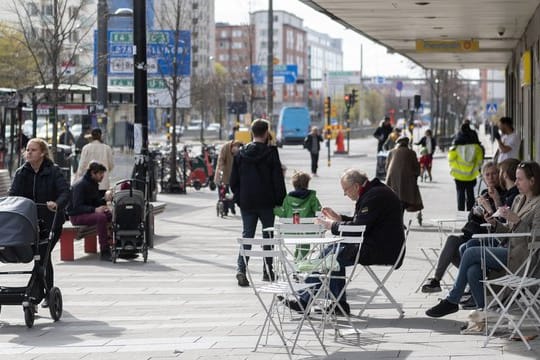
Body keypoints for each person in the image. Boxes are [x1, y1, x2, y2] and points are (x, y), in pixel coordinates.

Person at [282, 169, 405, 315]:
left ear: (356, 187)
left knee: (330, 257)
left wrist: (331, 225)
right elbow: (362, 223)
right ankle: (338, 305)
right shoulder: (372, 192)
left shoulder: (374, 196)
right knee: (331, 252)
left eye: (346, 190)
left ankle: (307, 300)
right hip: (378, 244)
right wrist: (339, 219)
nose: (345, 194)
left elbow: (360, 228)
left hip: (381, 249)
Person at [426, 161, 540, 317]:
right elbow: (508, 231)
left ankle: (452, 300)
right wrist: (494, 223)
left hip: (524, 258)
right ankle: (485, 314)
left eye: (520, 179)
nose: (516, 182)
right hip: (509, 250)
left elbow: (536, 237)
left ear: (532, 181)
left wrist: (517, 221)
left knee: (471, 252)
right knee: (473, 270)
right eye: (516, 178)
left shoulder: (538, 204)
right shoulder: (518, 200)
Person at [420, 162, 504, 294]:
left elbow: (500, 220)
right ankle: (436, 280)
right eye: (487, 174)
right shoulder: (483, 193)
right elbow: (471, 218)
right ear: (483, 177)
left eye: (494, 173)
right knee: (452, 240)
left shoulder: (503, 194)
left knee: (458, 246)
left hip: (483, 239)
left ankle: (469, 283)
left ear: (500, 175)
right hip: (470, 234)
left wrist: (491, 204)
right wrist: (476, 210)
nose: (491, 177)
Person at [9, 138, 70, 308]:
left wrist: (56, 204)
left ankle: (35, 294)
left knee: (43, 255)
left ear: (42, 153)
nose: (28, 153)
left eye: (33, 150)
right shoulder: (22, 172)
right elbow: (13, 194)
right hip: (29, 223)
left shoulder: (53, 171)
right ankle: (43, 292)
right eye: (27, 150)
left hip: (50, 223)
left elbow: (65, 192)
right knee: (41, 258)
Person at [230, 119, 286, 287]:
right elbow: (277, 179)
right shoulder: (271, 153)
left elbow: (234, 181)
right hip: (267, 202)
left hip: (247, 202)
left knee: (247, 235)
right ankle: (268, 271)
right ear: (267, 133)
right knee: (267, 235)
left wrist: (239, 198)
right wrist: (280, 200)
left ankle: (241, 269)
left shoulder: (240, 154)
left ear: (252, 133)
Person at [68, 161, 113, 261]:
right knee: (101, 217)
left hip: (87, 213)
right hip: (76, 216)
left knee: (109, 214)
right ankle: (104, 250)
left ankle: (113, 243)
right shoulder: (80, 185)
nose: (102, 176)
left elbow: (94, 202)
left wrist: (104, 200)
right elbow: (77, 207)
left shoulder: (93, 183)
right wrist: (95, 209)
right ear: (93, 173)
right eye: (100, 174)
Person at [274, 171, 322, 258]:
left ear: (294, 184)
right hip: (309, 231)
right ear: (307, 184)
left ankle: (298, 260)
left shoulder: (288, 199)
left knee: (298, 231)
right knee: (304, 237)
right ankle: (301, 260)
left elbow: (283, 214)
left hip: (291, 231)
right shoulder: (312, 198)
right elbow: (319, 213)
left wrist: (273, 210)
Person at [448, 123, 484, 211]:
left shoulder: (456, 147)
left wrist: (455, 167)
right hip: (471, 175)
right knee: (470, 194)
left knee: (460, 194)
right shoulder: (477, 147)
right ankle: (470, 213)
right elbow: (480, 161)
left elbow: (451, 158)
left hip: (458, 175)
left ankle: (460, 213)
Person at [385, 136, 423, 214]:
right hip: (406, 181)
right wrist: (416, 175)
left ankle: (397, 220)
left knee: (394, 200)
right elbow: (416, 168)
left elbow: (386, 167)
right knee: (403, 200)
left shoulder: (391, 152)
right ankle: (399, 221)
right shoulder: (411, 152)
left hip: (391, 180)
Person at [76, 127, 114, 196]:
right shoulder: (107, 148)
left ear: (92, 136)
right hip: (103, 184)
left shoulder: (86, 148)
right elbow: (111, 165)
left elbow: (81, 166)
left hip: (88, 184)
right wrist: (103, 173)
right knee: (101, 203)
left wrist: (79, 178)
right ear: (101, 136)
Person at [214, 140, 243, 215]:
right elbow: (221, 160)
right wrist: (220, 169)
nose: (235, 153)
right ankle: (225, 209)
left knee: (231, 193)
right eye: (234, 151)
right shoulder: (225, 148)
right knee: (223, 192)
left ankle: (232, 207)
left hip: (233, 175)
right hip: (224, 173)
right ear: (233, 146)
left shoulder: (239, 151)